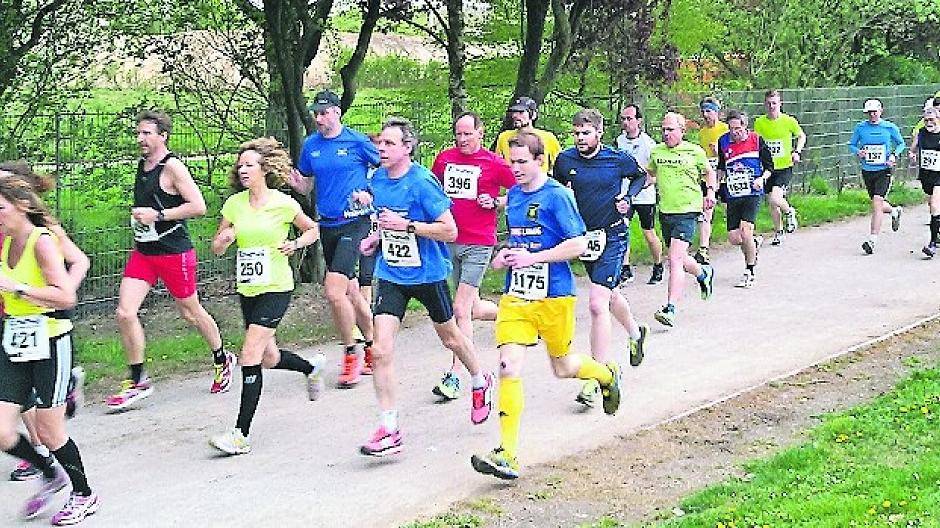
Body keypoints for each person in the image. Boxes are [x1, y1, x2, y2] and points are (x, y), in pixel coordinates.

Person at [470, 131, 622, 480]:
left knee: (564, 367)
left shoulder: (557, 196)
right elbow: (519, 240)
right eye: (512, 162)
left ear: (540, 161)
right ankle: (507, 453)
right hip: (518, 298)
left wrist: (534, 257)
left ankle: (606, 374)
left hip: (554, 296)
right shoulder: (514, 197)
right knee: (508, 366)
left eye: (522, 162)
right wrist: (504, 257)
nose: (516, 169)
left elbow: (579, 244)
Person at [358, 117, 493, 457]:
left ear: (407, 148)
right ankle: (389, 428)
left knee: (450, 337)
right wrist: (376, 237)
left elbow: (449, 230)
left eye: (389, 144)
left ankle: (479, 377)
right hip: (392, 275)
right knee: (380, 350)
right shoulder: (377, 180)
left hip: (428, 274)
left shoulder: (422, 182)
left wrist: (407, 226)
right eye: (380, 143)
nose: (381, 149)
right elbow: (384, 218)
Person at [107, 110, 230, 411]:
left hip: (175, 253)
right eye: (139, 133)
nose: (141, 139)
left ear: (163, 135)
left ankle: (221, 358)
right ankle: (138, 379)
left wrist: (158, 216)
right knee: (125, 313)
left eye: (147, 133)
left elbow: (198, 206)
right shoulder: (142, 165)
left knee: (190, 312)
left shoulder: (173, 167)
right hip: (145, 253)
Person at [208, 138, 324, 455]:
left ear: (264, 170)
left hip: (276, 286)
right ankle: (310, 368)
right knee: (269, 358)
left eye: (249, 165)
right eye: (240, 165)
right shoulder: (234, 205)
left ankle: (240, 434)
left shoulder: (283, 203)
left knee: (249, 355)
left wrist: (296, 245)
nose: (243, 169)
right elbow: (216, 247)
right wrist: (225, 239)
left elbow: (312, 229)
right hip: (248, 288)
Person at [0, 175, 99, 524]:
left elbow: (65, 296)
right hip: (15, 339)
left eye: (0, 207)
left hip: (50, 340)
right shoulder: (5, 241)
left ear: (21, 205)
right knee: (2, 430)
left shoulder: (41, 240)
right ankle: (49, 472)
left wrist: (19, 289)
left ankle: (84, 493)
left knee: (50, 430)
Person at [553, 108, 649, 408]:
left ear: (599, 132)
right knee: (609, 294)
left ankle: (598, 377)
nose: (580, 138)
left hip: (613, 235)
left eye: (586, 133)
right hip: (585, 238)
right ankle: (635, 332)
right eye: (576, 133)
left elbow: (640, 177)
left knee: (596, 303)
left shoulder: (616, 158)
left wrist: (627, 198)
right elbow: (557, 188)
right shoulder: (565, 160)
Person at [288, 90, 378, 388]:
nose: (319, 117)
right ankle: (372, 346)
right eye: (316, 112)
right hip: (328, 225)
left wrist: (370, 192)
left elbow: (386, 168)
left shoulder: (356, 142)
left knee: (333, 291)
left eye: (324, 112)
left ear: (337, 112)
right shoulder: (311, 146)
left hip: (356, 223)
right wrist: (290, 179)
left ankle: (350, 353)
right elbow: (305, 187)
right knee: (352, 292)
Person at [429, 112, 515, 401]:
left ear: (480, 133)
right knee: (475, 309)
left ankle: (457, 375)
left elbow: (523, 189)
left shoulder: (493, 163)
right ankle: (519, 318)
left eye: (468, 134)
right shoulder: (444, 159)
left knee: (460, 309)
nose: (463, 139)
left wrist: (496, 202)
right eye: (459, 134)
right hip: (450, 239)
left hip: (479, 241)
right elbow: (433, 191)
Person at [648, 112, 717, 327]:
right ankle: (703, 272)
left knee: (674, 260)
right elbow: (649, 175)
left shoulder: (694, 151)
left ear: (682, 131)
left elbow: (709, 173)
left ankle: (670, 308)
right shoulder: (656, 152)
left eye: (670, 130)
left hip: (688, 211)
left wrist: (711, 193)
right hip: (666, 211)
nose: (666, 134)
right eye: (663, 129)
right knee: (680, 257)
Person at [716, 110, 774, 288]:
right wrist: (716, 184)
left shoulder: (757, 140)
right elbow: (721, 165)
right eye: (731, 129)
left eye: (738, 128)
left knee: (745, 231)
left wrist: (761, 179)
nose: (735, 132)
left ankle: (749, 270)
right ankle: (754, 244)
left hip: (752, 192)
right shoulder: (723, 142)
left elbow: (770, 167)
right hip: (733, 194)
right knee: (735, 238)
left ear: (745, 126)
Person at [848, 98, 905, 255]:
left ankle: (872, 240)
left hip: (884, 170)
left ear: (881, 111)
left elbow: (901, 143)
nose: (872, 115)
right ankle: (894, 211)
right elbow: (851, 144)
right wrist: (858, 152)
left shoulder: (889, 127)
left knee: (877, 202)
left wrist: (894, 155)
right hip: (868, 170)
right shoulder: (860, 128)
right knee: (876, 203)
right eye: (869, 112)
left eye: (875, 112)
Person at [616, 104, 664, 285]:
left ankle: (658, 264)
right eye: (623, 119)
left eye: (629, 119)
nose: (626, 122)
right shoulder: (619, 142)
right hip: (624, 195)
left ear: (639, 121)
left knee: (649, 233)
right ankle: (625, 268)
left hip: (645, 196)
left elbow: (656, 173)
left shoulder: (649, 144)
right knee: (622, 229)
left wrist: (643, 184)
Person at [753, 90, 805, 245]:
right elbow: (756, 142)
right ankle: (779, 231)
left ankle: (789, 211)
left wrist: (796, 151)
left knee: (776, 198)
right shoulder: (759, 123)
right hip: (767, 167)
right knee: (771, 202)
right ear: (764, 104)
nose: (771, 106)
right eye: (768, 103)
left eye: (774, 103)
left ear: (780, 104)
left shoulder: (789, 121)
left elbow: (801, 136)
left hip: (784, 166)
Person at [694, 97, 727, 264]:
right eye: (703, 111)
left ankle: (750, 238)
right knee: (706, 211)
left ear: (717, 112)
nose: (705, 115)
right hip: (708, 177)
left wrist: (720, 151)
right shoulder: (702, 133)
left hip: (727, 176)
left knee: (733, 214)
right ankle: (703, 249)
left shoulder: (726, 129)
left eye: (709, 111)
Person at [494, 97, 562, 173]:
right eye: (514, 112)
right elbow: (498, 166)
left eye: (521, 112)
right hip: (511, 184)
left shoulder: (548, 138)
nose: (515, 116)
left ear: (533, 115)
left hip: (537, 183)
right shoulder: (504, 137)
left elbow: (560, 166)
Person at [908, 107, 940, 257]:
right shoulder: (921, 134)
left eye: (931, 120)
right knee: (933, 206)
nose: (929, 123)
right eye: (926, 120)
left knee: (934, 205)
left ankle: (932, 244)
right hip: (926, 175)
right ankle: (937, 231)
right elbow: (912, 149)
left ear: (938, 119)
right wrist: (912, 155)